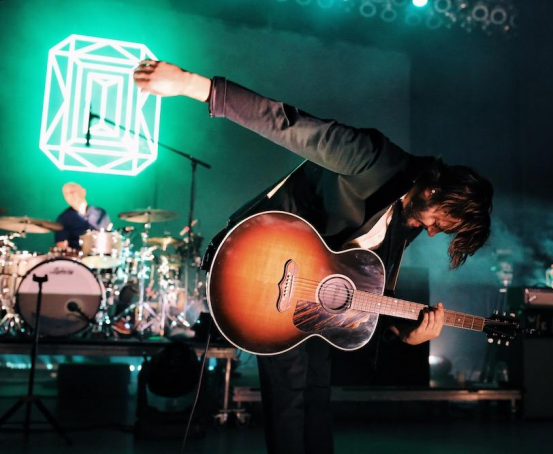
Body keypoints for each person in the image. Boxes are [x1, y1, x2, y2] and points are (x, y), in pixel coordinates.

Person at [134, 60, 493, 454]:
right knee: (289, 392)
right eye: (441, 222)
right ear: (433, 193)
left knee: (317, 391)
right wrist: (193, 85)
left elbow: (367, 291)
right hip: (266, 266)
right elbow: (289, 125)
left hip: (316, 298)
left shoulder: (404, 224)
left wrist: (407, 336)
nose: (431, 232)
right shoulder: (373, 158)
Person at [55, 183, 111, 249]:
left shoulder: (100, 213)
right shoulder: (63, 218)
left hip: (101, 254)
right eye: (66, 194)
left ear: (83, 192)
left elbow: (110, 235)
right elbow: (61, 246)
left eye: (73, 192)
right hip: (77, 257)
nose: (70, 196)